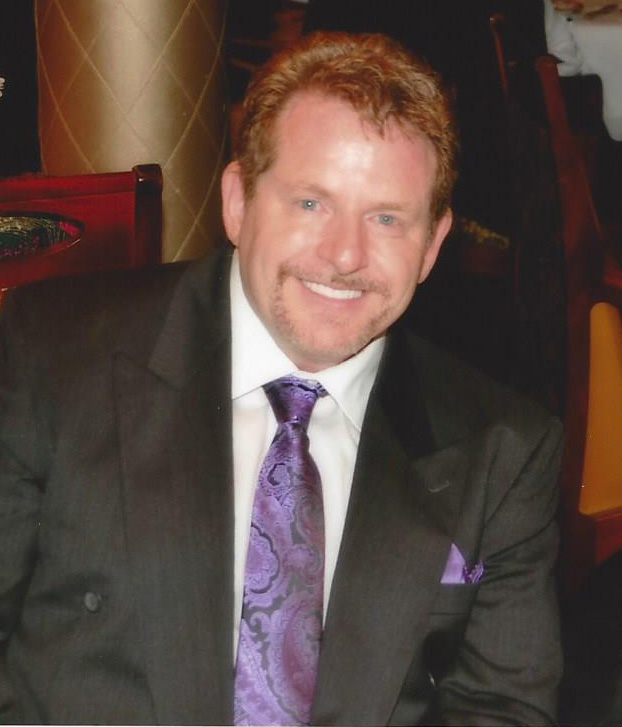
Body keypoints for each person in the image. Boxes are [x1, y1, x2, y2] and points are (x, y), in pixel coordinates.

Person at [0, 32, 562, 726]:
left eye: (387, 218)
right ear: (238, 202)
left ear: (433, 245)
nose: (345, 254)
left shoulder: (504, 449)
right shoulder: (53, 357)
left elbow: (501, 708)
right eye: (310, 203)